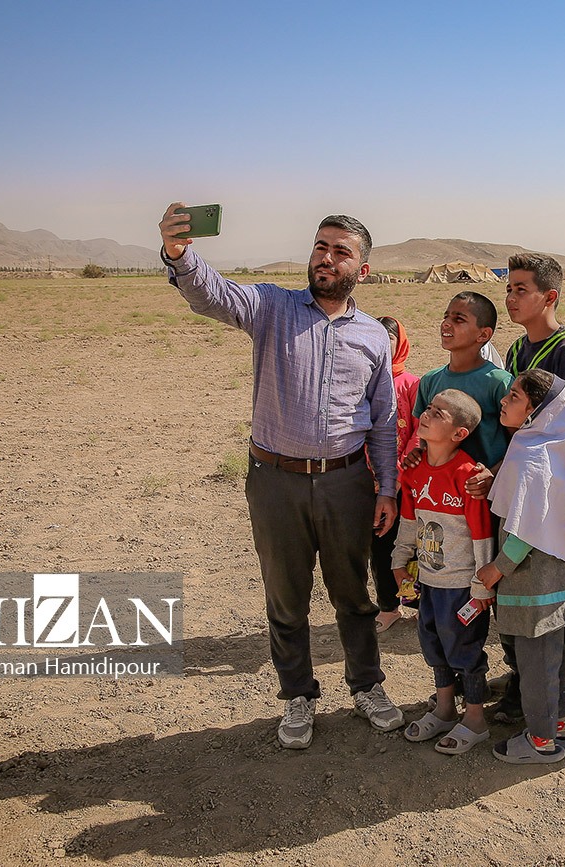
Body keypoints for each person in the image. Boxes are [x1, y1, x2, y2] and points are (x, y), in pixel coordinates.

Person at [158, 203, 403, 750]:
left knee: (354, 596)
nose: (326, 258)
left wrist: (386, 488)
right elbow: (214, 295)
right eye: (321, 247)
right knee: (286, 599)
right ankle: (298, 694)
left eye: (341, 252)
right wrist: (179, 254)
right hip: (275, 481)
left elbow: (384, 420)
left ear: (362, 271)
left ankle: (367, 686)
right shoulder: (272, 306)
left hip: (346, 483)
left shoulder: (373, 336)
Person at [493, 253, 565, 722]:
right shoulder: (517, 349)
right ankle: (525, 678)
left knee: (553, 583)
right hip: (522, 478)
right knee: (523, 586)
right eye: (508, 288)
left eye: (521, 289)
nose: (510, 298)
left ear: (549, 296)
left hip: (552, 486)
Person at [478, 370, 565, 763]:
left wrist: (497, 568)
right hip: (557, 575)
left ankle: (542, 742)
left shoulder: (534, 456)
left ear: (536, 410)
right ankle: (557, 725)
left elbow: (526, 528)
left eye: (514, 396)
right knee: (551, 658)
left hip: (534, 580)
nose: (504, 401)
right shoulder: (551, 444)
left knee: (536, 662)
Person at [392, 389, 496, 755]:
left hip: (462, 586)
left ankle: (476, 720)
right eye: (429, 408)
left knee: (465, 651)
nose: (427, 414)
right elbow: (409, 520)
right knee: (433, 644)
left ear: (459, 434)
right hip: (428, 582)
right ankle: (445, 709)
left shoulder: (468, 476)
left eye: (439, 413)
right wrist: (399, 561)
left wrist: (481, 587)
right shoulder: (414, 469)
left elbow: (482, 535)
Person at [412, 292, 513, 472]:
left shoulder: (499, 382)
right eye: (446, 316)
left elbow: (519, 441)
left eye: (458, 319)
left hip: (486, 486)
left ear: (483, 334)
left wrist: (492, 475)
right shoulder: (430, 380)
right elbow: (426, 438)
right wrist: (419, 455)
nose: (446, 323)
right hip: (441, 485)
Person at [372, 317, 422, 632]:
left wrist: (400, 472)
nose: (382, 344)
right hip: (372, 482)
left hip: (407, 483)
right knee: (379, 545)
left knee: (412, 545)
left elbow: (419, 432)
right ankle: (388, 606)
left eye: (388, 338)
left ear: (399, 342)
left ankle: (415, 603)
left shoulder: (413, 384)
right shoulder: (363, 381)